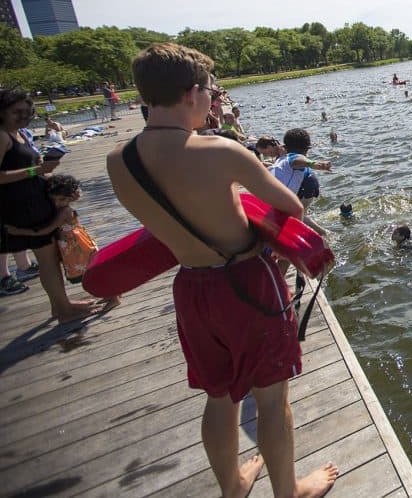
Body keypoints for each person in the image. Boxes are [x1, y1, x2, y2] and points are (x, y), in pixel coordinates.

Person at [105, 43, 338, 497]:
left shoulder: (119, 160)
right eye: (211, 91)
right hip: (248, 284)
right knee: (270, 398)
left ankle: (233, 486)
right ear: (192, 93)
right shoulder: (220, 151)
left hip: (192, 287)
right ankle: (288, 492)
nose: (214, 100)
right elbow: (289, 206)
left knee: (219, 397)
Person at [0, 89, 104, 321]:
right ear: (2, 112)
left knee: (51, 258)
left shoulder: (20, 134)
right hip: (20, 205)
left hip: (36, 199)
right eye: (17, 112)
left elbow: (36, 171)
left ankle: (60, 305)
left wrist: (63, 189)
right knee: (47, 260)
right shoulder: (3, 136)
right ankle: (63, 309)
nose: (23, 116)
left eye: (28, 112)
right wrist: (34, 170)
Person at [6, 174, 107, 296]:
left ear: (70, 198)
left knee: (91, 272)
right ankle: (108, 295)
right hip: (73, 246)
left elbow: (46, 230)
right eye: (53, 200)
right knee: (89, 273)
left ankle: (112, 296)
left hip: (78, 247)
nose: (57, 203)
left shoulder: (65, 212)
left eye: (61, 199)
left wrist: (18, 231)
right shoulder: (62, 208)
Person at [270, 128, 332, 236]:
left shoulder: (284, 159)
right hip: (283, 198)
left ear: (285, 146)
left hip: (278, 197)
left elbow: (295, 162)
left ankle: (323, 233)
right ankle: (323, 233)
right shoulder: (293, 157)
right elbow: (297, 161)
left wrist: (312, 164)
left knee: (298, 215)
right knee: (298, 215)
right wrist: (313, 164)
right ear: (307, 149)